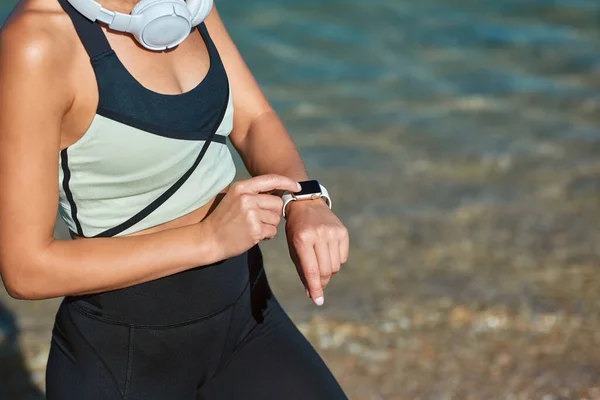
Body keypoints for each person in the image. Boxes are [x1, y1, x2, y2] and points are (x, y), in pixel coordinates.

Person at [0, 0, 350, 397]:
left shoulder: (188, 6)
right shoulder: (36, 43)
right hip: (125, 362)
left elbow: (254, 120)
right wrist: (209, 240)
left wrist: (304, 200)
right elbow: (26, 269)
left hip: (247, 317)